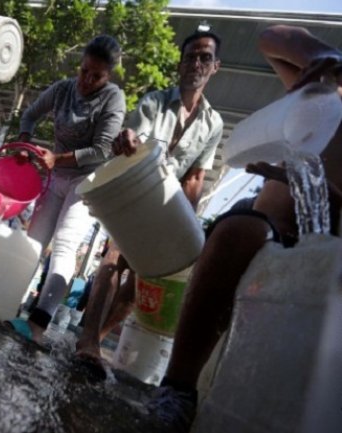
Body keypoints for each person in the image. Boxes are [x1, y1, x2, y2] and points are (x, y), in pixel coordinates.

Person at [145, 25, 342, 432]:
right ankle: (178, 388)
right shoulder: (327, 97)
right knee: (235, 231)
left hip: (325, 244)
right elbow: (272, 37)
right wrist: (324, 56)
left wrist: (306, 183)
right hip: (265, 226)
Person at [74, 30, 224, 368]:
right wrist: (126, 139)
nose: (196, 63)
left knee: (147, 277)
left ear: (216, 66)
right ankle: (87, 341)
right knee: (114, 256)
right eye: (190, 57)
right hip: (136, 191)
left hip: (169, 205)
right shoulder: (155, 101)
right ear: (180, 62)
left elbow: (196, 176)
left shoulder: (213, 123)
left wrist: (187, 229)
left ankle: (97, 342)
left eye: (204, 57)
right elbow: (130, 139)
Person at [6, 35, 126, 342]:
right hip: (54, 174)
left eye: (96, 75)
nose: (86, 80)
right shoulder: (62, 89)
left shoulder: (113, 99)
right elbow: (30, 114)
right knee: (34, 240)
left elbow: (102, 149)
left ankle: (39, 322)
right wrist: (25, 141)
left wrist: (56, 157)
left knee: (64, 244)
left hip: (86, 180)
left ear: (108, 75)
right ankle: (6, 300)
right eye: (84, 71)